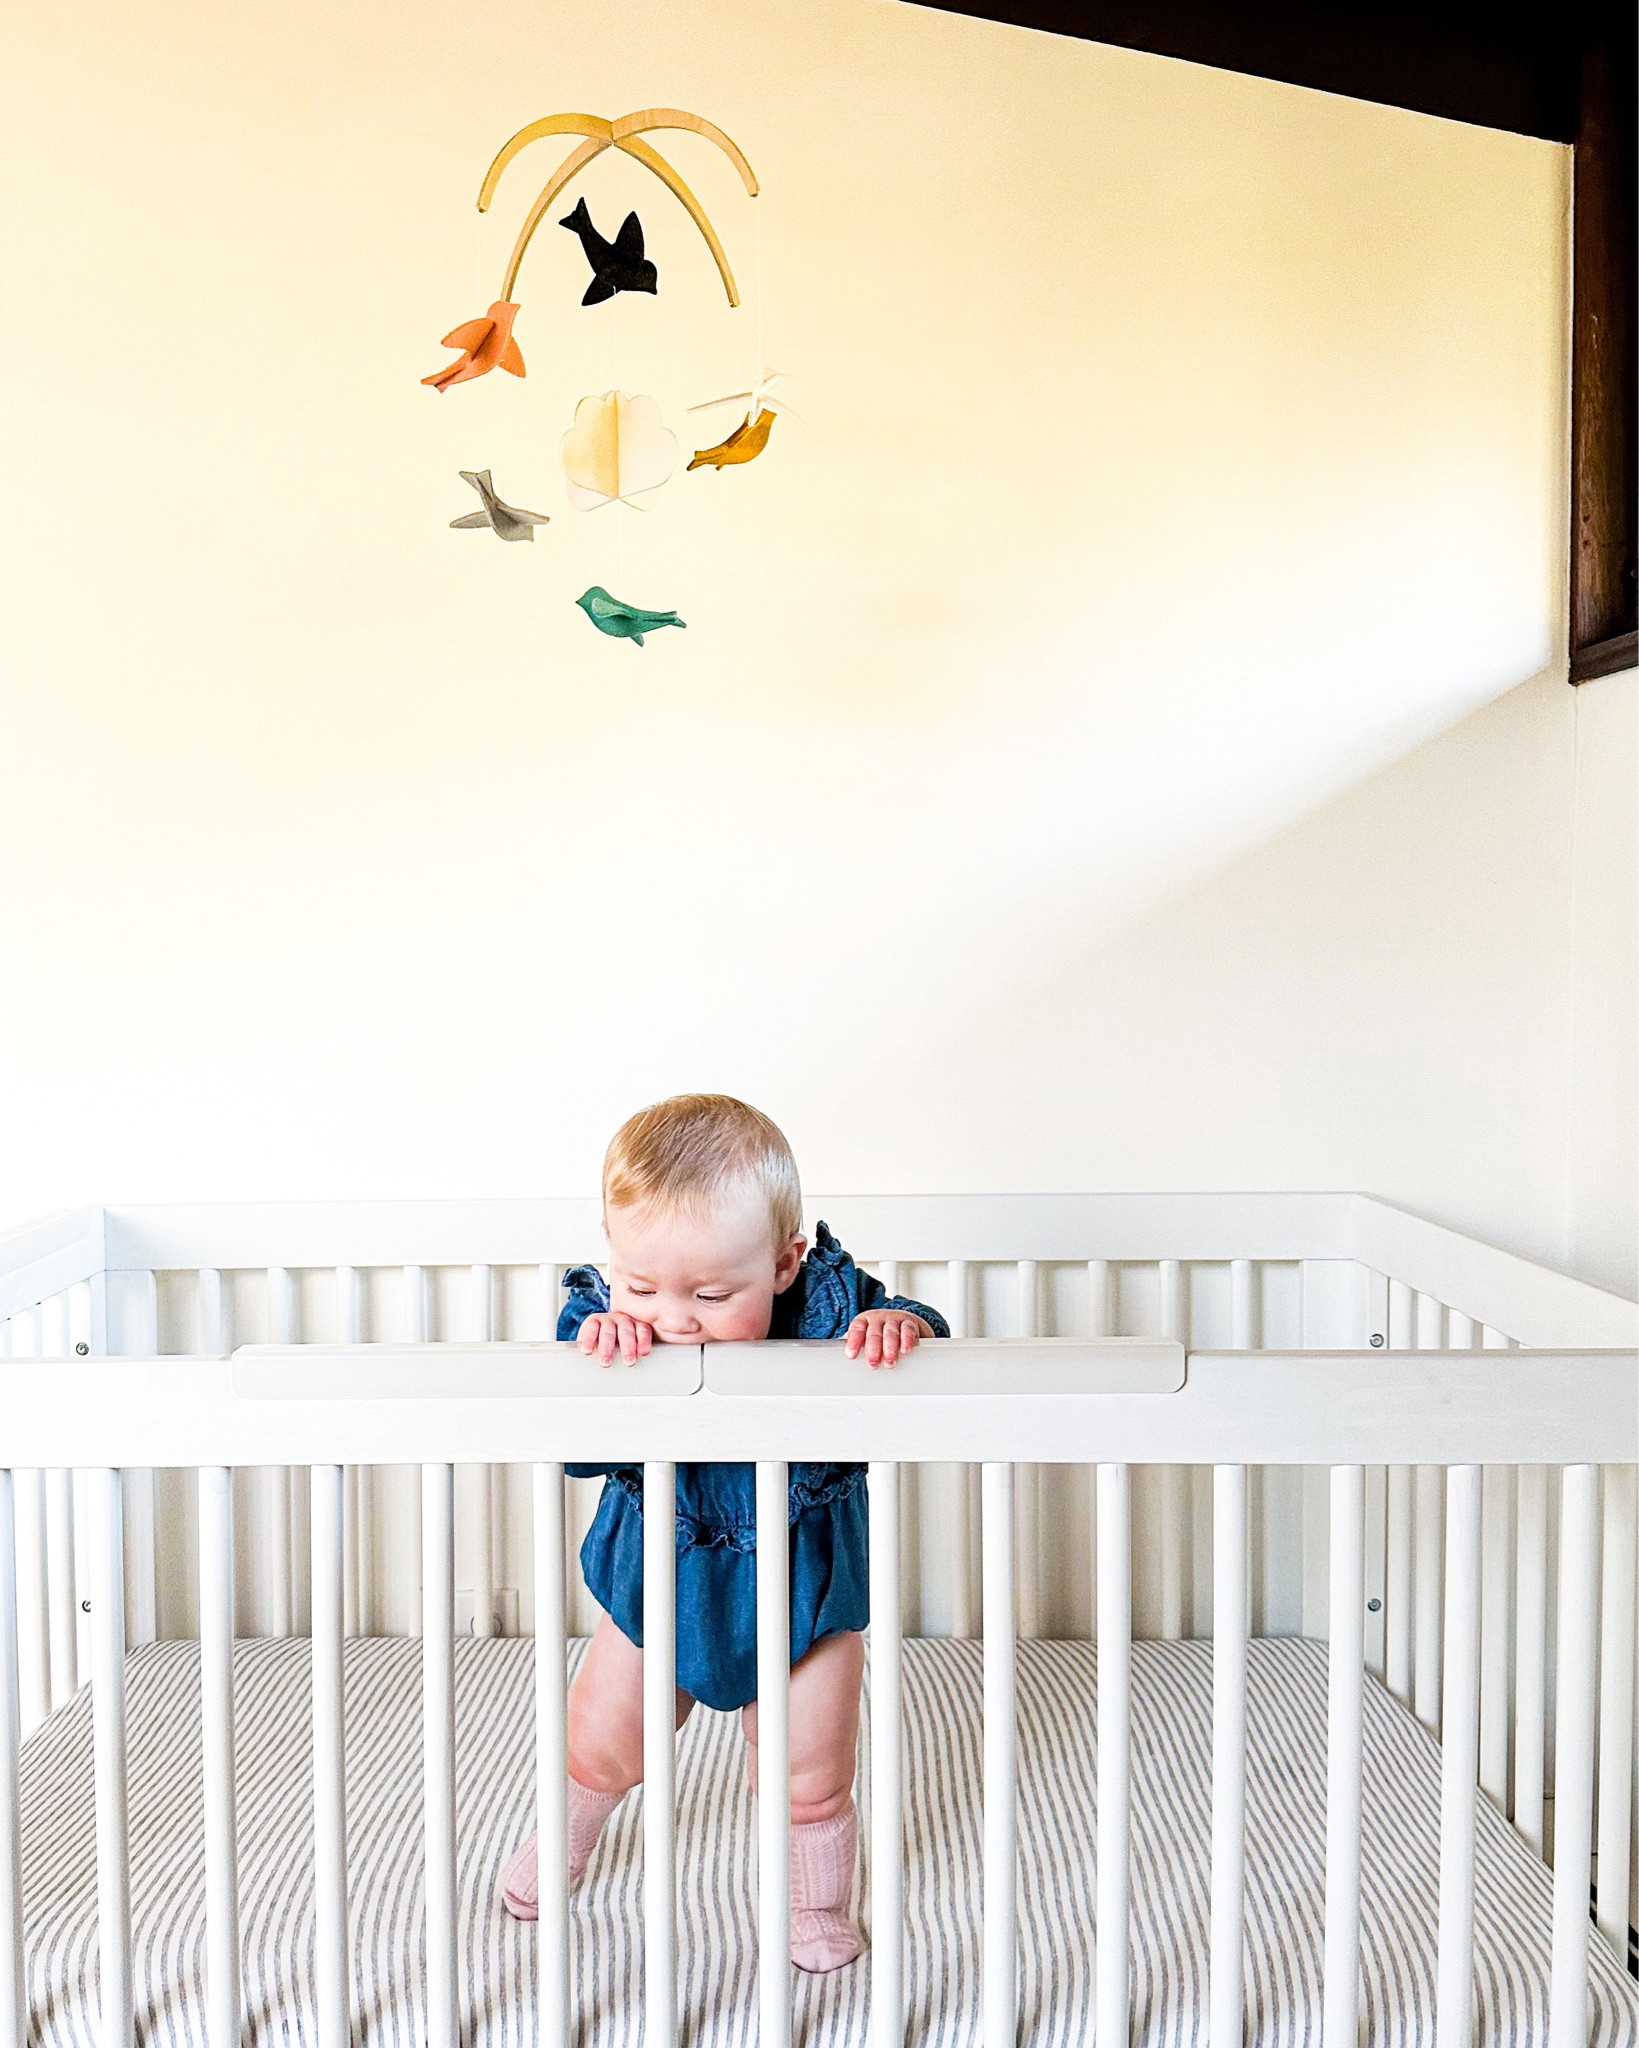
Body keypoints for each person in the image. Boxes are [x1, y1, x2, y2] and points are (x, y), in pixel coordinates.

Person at [500, 1093, 947, 1971]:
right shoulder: (605, 1327)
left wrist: (900, 1328)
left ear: (782, 1264)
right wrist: (598, 1344)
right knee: (601, 1743)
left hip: (806, 1597)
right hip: (654, 1589)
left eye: (710, 1293)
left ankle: (812, 1904)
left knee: (809, 1776)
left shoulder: (828, 1306)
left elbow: (922, 1328)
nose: (672, 1317)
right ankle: (564, 1842)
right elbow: (573, 1441)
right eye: (642, 1285)